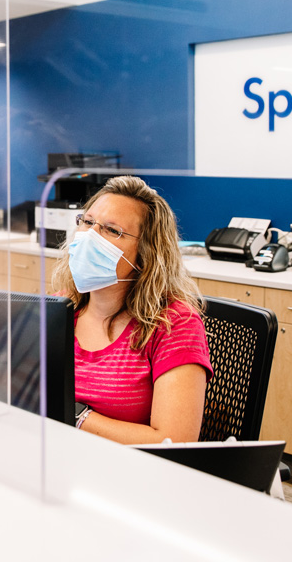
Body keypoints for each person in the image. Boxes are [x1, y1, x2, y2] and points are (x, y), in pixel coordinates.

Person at [51, 175, 212, 444]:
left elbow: (174, 440)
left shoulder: (174, 324)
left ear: (147, 253)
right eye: (87, 222)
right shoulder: (60, 307)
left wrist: (76, 416)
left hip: (132, 475)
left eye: (112, 230)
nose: (90, 236)